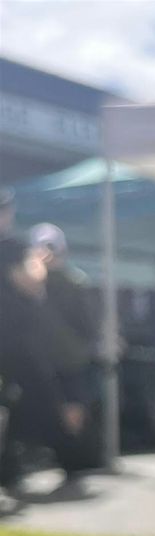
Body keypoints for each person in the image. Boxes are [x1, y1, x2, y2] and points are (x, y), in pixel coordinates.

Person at [0, 194, 84, 489]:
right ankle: (69, 460)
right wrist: (37, 261)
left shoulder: (11, 246)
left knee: (23, 401)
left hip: (15, 340)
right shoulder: (11, 247)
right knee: (41, 398)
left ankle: (10, 468)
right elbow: (32, 281)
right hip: (16, 341)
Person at [29, 223, 103, 469]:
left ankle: (76, 457)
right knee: (53, 409)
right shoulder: (33, 282)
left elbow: (87, 322)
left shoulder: (73, 282)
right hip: (44, 359)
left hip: (70, 358)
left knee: (73, 409)